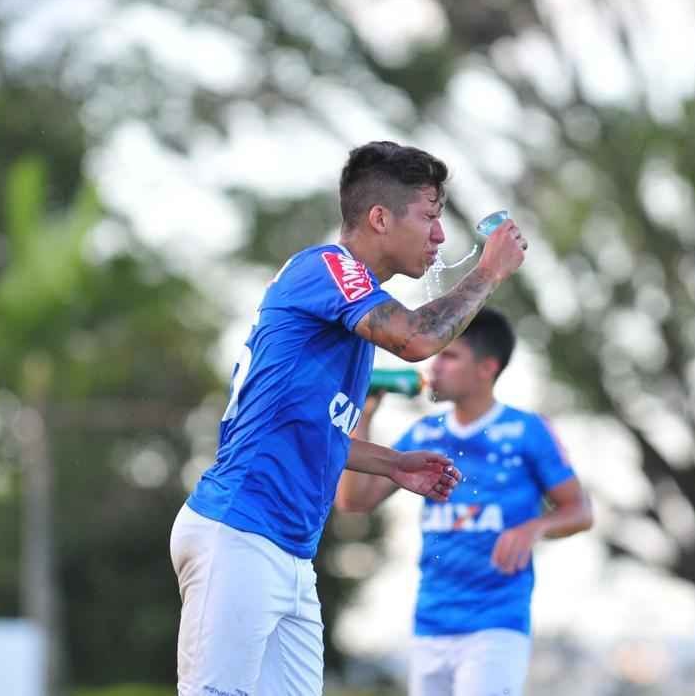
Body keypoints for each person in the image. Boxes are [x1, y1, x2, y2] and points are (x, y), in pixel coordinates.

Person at [169, 141, 529, 696]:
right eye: (430, 217)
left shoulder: (347, 310)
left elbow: (315, 429)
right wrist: (488, 271)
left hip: (289, 552)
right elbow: (416, 340)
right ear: (380, 218)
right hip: (237, 531)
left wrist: (392, 464)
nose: (439, 235)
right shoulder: (329, 268)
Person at [335, 307, 594, 696]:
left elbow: (581, 511)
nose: (435, 367)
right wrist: (366, 415)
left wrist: (534, 527)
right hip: (430, 624)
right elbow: (352, 502)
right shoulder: (424, 433)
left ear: (487, 368)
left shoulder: (527, 431)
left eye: (450, 356)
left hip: (496, 625)